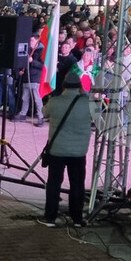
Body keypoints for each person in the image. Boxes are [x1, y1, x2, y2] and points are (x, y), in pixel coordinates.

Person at [39, 72, 92, 228]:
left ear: (64, 85)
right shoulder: (88, 103)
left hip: (57, 150)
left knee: (54, 183)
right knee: (77, 184)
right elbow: (99, 117)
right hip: (79, 152)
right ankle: (76, 219)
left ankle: (50, 217)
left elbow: (43, 112)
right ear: (80, 86)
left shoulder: (55, 102)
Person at [15, 34, 45, 126]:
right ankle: (23, 114)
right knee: (24, 98)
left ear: (37, 40)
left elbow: (43, 66)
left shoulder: (42, 51)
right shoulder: (27, 49)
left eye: (31, 40)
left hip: (35, 78)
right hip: (26, 77)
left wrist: (33, 61)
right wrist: (20, 70)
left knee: (37, 99)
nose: (29, 42)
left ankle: (40, 116)